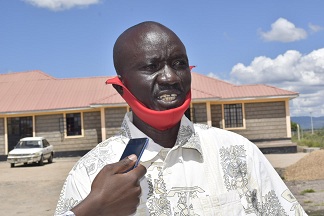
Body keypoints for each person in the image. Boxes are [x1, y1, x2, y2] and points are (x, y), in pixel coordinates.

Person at [55, 21, 306, 215]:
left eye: (178, 63)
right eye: (151, 67)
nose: (170, 78)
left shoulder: (237, 152)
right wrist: (94, 210)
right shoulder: (89, 173)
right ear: (121, 88)